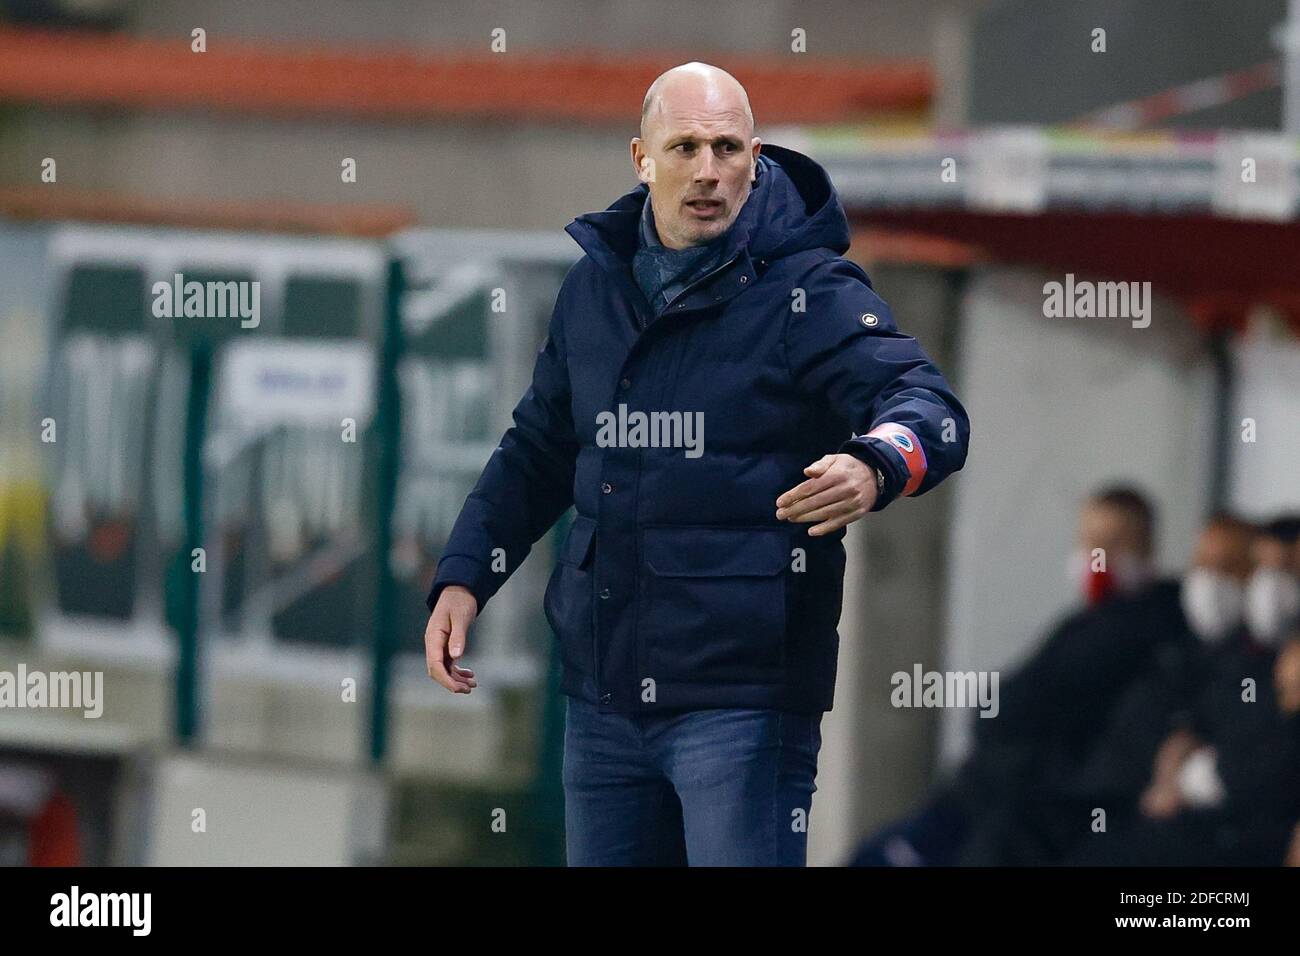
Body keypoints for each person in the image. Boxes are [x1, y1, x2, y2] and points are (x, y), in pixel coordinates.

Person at [422, 61, 969, 866]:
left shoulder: (809, 292)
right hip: (604, 698)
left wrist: (878, 463)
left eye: (727, 148)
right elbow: (539, 449)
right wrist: (466, 573)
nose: (708, 171)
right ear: (641, 160)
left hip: (741, 704)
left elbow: (928, 405)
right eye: (684, 148)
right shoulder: (593, 290)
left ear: (756, 157)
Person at [850, 486, 1182, 866]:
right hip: (988, 799)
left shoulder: (1142, 626)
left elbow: (1021, 710)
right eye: (1089, 540)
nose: (1097, 556)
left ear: (1147, 545)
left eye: (1112, 542)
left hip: (1016, 812)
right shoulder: (1091, 622)